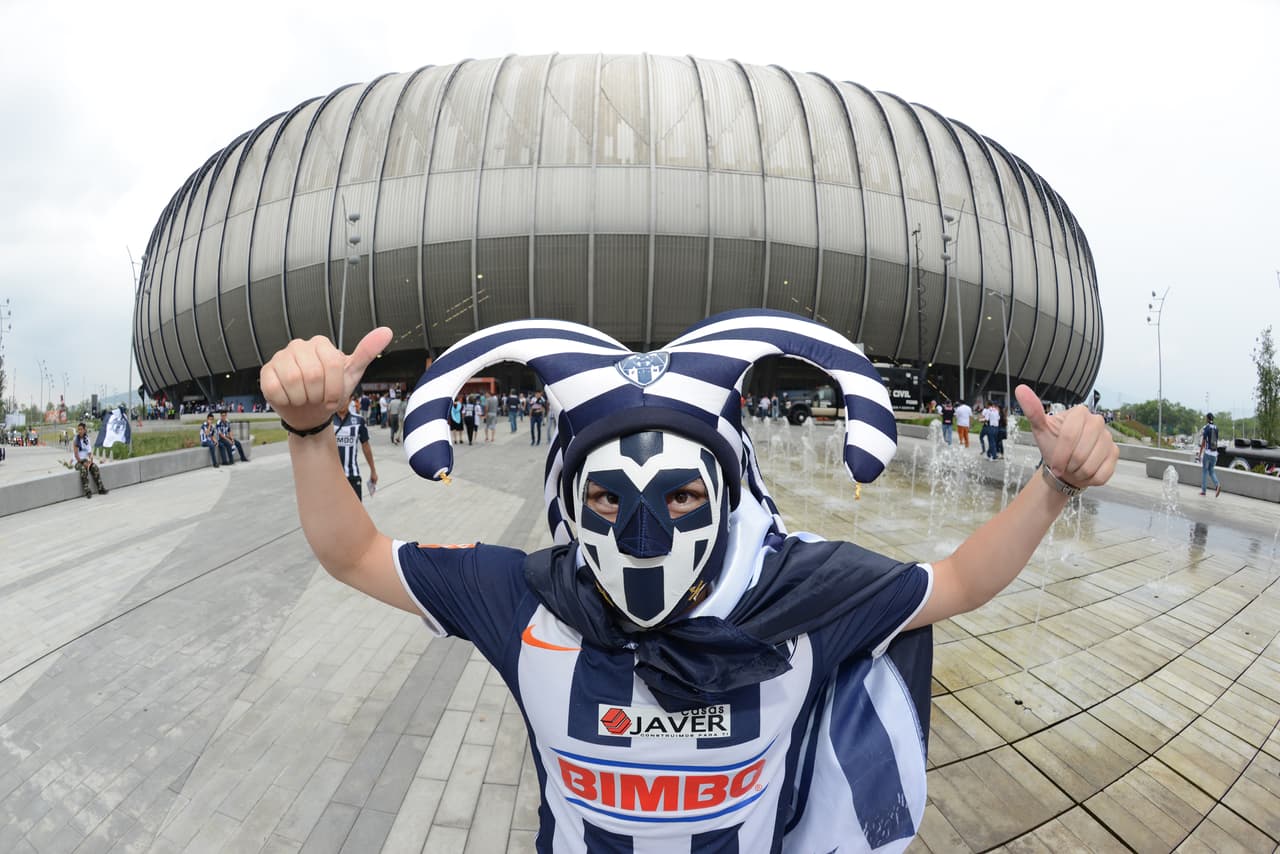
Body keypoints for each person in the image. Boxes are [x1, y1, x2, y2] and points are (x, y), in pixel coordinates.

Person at [260, 312, 1117, 853]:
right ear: (570, 496)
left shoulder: (803, 598)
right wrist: (307, 430)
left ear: (725, 493)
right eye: (605, 495)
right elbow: (354, 552)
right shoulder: (524, 600)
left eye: (679, 496)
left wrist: (1055, 486)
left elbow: (961, 579)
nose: (643, 534)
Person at [334, 393, 377, 500]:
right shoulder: (327, 421)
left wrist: (373, 470)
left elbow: (366, 446)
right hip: (332, 477)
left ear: (350, 400)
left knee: (355, 515)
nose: (342, 403)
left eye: (344, 399)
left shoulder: (359, 420)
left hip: (352, 475)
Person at [71, 422, 108, 498]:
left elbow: (90, 453)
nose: (80, 431)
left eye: (81, 429)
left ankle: (101, 488)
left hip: (85, 460)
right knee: (83, 469)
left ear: (85, 430)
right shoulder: (76, 440)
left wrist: (90, 460)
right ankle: (87, 491)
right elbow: (76, 455)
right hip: (77, 461)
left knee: (94, 467)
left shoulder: (87, 439)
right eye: (79, 430)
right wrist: (83, 462)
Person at [1197, 412, 1220, 497]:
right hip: (1214, 454)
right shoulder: (1216, 428)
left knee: (1204, 471)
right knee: (1211, 471)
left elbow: (1203, 442)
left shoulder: (1206, 428)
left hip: (1207, 453)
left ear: (1207, 419)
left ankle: (1203, 491)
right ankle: (1217, 485)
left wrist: (1200, 453)